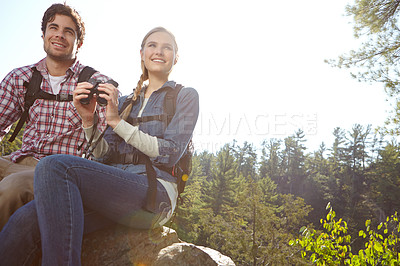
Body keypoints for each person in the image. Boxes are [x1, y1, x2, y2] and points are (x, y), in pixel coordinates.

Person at [0, 26, 199, 265]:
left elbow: (169, 154)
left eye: (167, 47)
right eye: (152, 45)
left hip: (155, 194)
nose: (159, 51)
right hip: (114, 193)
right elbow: (105, 157)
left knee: (54, 166)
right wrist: (88, 120)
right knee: (26, 220)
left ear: (176, 58)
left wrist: (116, 122)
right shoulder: (125, 102)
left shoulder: (184, 96)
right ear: (142, 53)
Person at [0, 3, 113, 229]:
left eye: (68, 31)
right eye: (54, 28)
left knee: (11, 189)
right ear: (43, 34)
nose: (59, 35)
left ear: (78, 43)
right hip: (18, 160)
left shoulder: (95, 83)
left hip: (58, 171)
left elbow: (108, 147)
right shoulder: (20, 77)